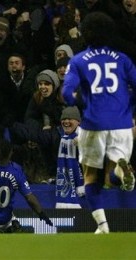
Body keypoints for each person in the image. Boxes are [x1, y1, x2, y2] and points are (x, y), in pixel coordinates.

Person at [62, 11, 136, 234]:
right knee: (111, 177)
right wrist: (128, 105)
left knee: (91, 176)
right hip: (122, 124)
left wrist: (84, 101)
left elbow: (66, 93)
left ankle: (102, 226)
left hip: (93, 124)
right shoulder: (123, 59)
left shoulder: (78, 61)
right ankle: (122, 171)